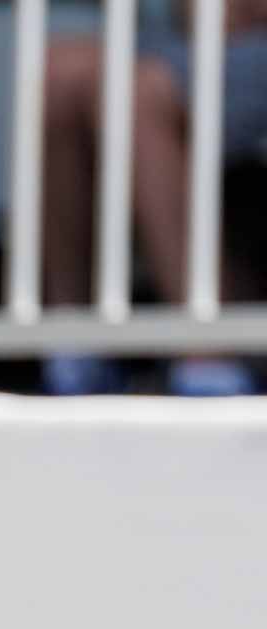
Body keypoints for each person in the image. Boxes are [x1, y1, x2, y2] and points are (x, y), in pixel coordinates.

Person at [42, 0, 267, 395]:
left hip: (249, 46)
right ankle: (75, 348)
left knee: (134, 93)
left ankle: (209, 352)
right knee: (57, 70)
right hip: (186, 42)